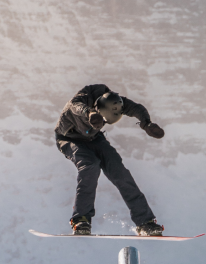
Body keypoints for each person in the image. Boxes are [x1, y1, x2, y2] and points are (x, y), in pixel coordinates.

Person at [55, 84, 165, 235]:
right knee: (90, 166)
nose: (103, 122)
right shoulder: (79, 101)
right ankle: (81, 220)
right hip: (69, 138)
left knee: (119, 171)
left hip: (94, 138)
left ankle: (145, 223)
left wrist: (146, 123)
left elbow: (137, 108)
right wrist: (90, 113)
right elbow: (76, 107)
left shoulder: (114, 101)